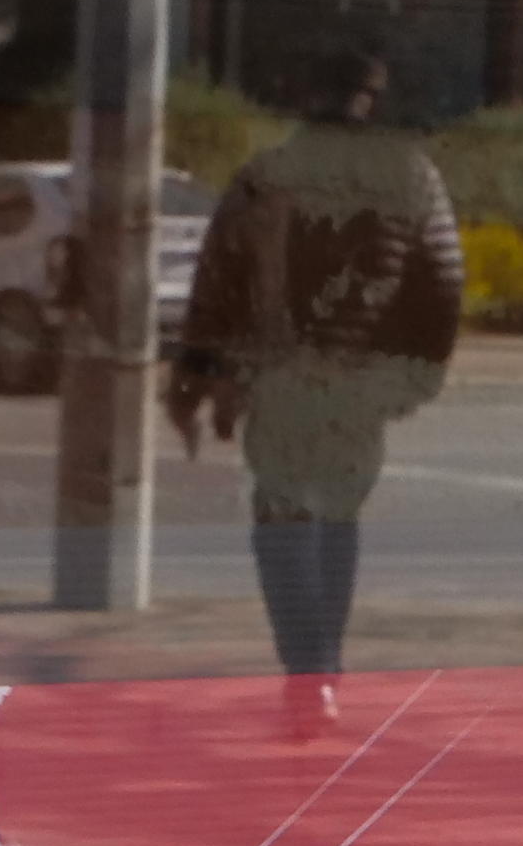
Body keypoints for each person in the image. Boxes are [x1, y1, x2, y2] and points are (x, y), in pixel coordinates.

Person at [165, 48, 464, 734]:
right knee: (337, 515)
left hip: (281, 375)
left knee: (284, 519)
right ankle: (323, 668)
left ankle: (309, 672)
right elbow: (442, 282)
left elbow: (216, 283)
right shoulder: (412, 178)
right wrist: (415, 374)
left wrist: (195, 380)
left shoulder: (267, 176)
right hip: (363, 381)